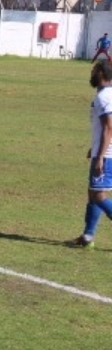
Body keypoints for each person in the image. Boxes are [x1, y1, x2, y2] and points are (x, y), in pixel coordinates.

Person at [68, 60, 112, 248]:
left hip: (107, 154)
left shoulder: (104, 97)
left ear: (102, 73)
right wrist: (94, 148)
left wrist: (100, 155)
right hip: (103, 150)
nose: (92, 73)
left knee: (99, 196)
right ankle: (87, 236)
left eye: (94, 70)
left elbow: (109, 128)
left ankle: (88, 236)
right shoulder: (107, 95)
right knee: (92, 193)